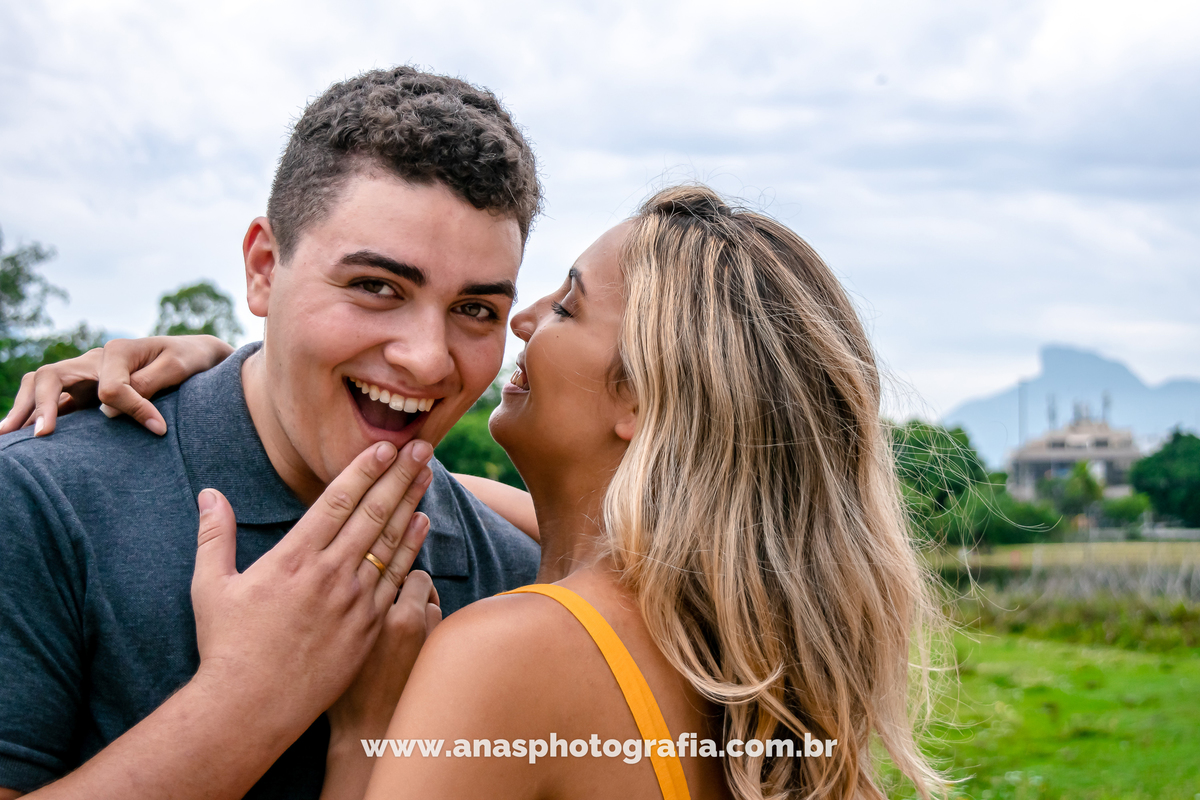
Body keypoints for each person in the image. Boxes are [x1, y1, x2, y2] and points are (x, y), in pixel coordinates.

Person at [25, 186, 948, 799]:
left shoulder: (507, 653)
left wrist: (367, 731)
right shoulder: (719, 645)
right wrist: (234, 372)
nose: (524, 322)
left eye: (567, 305)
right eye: (375, 288)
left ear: (641, 396)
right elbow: (432, 484)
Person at [0, 66, 542, 799]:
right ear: (263, 269)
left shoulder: (519, 585)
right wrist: (247, 699)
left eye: (475, 309)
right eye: (375, 287)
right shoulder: (38, 500)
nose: (427, 359)